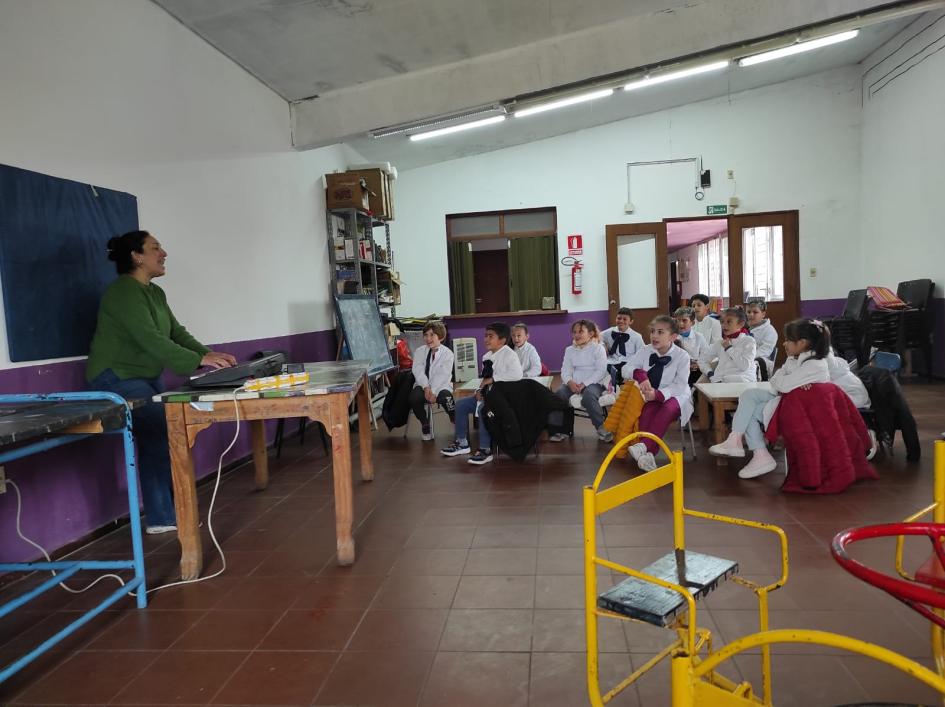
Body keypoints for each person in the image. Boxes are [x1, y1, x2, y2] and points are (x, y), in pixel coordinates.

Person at [86, 231, 236, 534]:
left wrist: (207, 353)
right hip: (116, 376)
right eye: (155, 248)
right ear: (136, 256)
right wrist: (197, 361)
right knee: (159, 431)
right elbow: (150, 338)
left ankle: (169, 511)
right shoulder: (124, 292)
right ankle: (163, 517)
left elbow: (176, 332)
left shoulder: (155, 293)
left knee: (167, 430)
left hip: (145, 376)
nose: (163, 253)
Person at [709, 318, 831, 479]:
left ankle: (760, 455)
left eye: (788, 340)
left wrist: (785, 379)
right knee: (748, 395)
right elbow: (776, 381)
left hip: (798, 413)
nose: (784, 344)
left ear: (802, 343)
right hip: (786, 400)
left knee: (750, 413)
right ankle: (735, 439)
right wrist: (786, 379)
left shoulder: (815, 365)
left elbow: (782, 384)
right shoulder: (794, 359)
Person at [441, 322, 523, 465]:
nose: (486, 339)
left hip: (504, 400)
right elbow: (484, 380)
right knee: (460, 405)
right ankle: (462, 443)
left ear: (502, 340)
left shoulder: (510, 355)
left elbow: (517, 374)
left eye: (490, 336)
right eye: (485, 336)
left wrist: (493, 379)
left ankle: (485, 450)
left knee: (483, 408)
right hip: (488, 396)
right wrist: (479, 391)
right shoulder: (487, 357)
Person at [622, 316, 693, 471]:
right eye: (653, 331)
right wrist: (639, 374)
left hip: (676, 396)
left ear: (673, 337)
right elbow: (625, 369)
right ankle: (648, 455)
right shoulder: (645, 351)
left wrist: (659, 395)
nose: (654, 336)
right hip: (651, 396)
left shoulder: (682, 356)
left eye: (660, 332)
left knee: (666, 410)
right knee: (647, 413)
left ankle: (645, 447)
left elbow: (680, 385)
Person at [550, 319, 612, 443]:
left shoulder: (598, 348)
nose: (577, 335)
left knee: (588, 396)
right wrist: (569, 382)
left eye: (580, 332)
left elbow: (600, 371)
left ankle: (601, 427)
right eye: (574, 332)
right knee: (559, 395)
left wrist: (585, 384)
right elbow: (565, 370)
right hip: (574, 382)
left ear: (590, 334)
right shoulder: (570, 350)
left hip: (595, 382)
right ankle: (559, 430)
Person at [408, 321, 455, 440]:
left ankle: (454, 418)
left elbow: (443, 374)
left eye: (432, 335)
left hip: (441, 386)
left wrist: (433, 391)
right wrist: (426, 387)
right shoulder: (419, 351)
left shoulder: (448, 354)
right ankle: (425, 423)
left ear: (441, 336)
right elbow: (418, 371)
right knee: (414, 398)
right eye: (425, 335)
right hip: (423, 385)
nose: (428, 338)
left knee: (446, 398)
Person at [698, 307, 757, 383]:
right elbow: (702, 360)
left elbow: (744, 366)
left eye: (729, 322)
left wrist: (729, 348)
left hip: (743, 381)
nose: (724, 325)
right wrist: (710, 373)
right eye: (722, 322)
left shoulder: (748, 341)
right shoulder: (720, 343)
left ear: (741, 324)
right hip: (720, 381)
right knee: (697, 390)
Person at [601, 307, 644, 386]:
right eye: (619, 318)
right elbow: (597, 337)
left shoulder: (637, 336)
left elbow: (641, 354)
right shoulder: (609, 332)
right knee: (603, 370)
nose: (621, 321)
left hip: (627, 362)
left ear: (631, 321)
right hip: (612, 361)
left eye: (625, 319)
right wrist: (603, 345)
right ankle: (610, 388)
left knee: (627, 374)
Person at [673, 306, 708, 386]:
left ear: (692, 322)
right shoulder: (672, 338)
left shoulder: (699, 337)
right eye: (677, 320)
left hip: (695, 371)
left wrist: (697, 364)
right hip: (677, 371)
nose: (680, 323)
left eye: (684, 320)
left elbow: (706, 356)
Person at [747, 300, 778, 365]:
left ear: (763, 314)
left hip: (759, 362)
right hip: (743, 359)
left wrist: (747, 357)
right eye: (749, 312)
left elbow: (765, 351)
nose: (751, 315)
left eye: (755, 312)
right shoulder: (744, 328)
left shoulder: (770, 331)